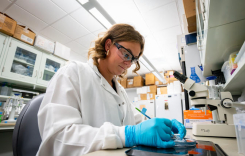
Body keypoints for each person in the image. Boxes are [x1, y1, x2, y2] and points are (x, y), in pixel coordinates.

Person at [37, 24, 186, 156]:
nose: (128, 64)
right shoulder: (73, 73)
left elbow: (136, 122)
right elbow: (59, 137)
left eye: (133, 59)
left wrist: (161, 124)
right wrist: (127, 135)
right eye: (126, 54)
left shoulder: (120, 90)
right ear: (108, 45)